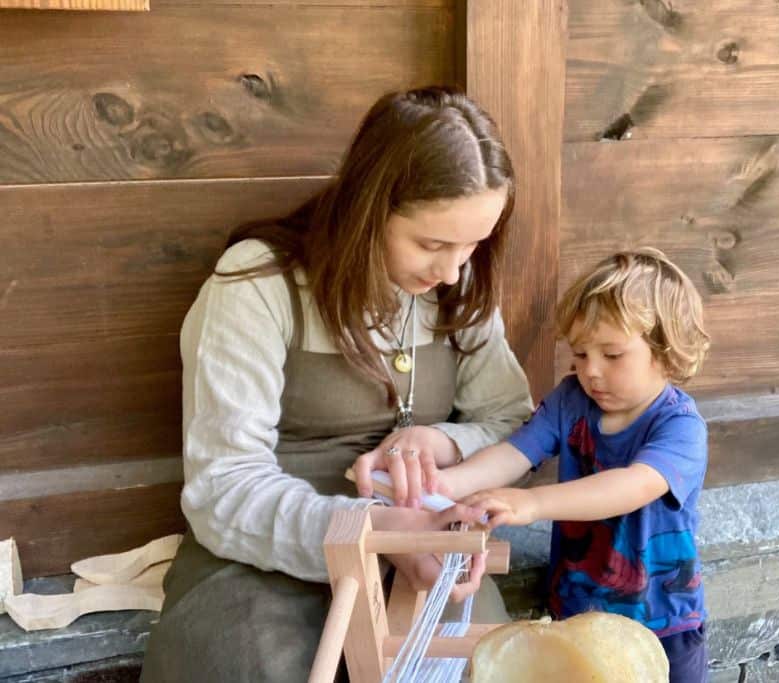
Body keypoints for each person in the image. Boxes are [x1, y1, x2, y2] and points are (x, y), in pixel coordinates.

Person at [140, 86, 534, 683]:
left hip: (424, 544)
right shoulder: (256, 286)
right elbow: (222, 488)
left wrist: (444, 445)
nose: (452, 270)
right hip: (268, 555)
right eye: (431, 244)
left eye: (473, 244)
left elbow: (517, 427)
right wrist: (369, 533)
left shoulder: (460, 285)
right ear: (367, 208)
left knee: (480, 667)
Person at [438, 248, 712, 683]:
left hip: (662, 626)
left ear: (664, 351)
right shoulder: (570, 400)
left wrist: (530, 504)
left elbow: (629, 487)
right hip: (577, 618)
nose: (592, 372)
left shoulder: (680, 427)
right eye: (581, 354)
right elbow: (515, 452)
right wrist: (445, 484)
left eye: (612, 354)